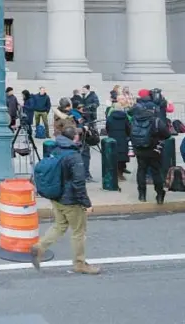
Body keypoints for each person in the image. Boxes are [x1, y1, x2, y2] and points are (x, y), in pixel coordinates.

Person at [31, 125, 100, 275]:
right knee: (78, 232)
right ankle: (80, 263)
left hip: (57, 197)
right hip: (71, 200)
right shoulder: (74, 156)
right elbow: (79, 183)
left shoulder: (56, 149)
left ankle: (39, 247)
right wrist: (86, 203)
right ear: (75, 137)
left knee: (59, 226)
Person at [130, 89, 170, 203]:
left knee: (141, 170)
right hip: (153, 149)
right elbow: (167, 134)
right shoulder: (156, 121)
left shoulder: (135, 120)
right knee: (156, 171)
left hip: (139, 148)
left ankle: (142, 194)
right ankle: (159, 194)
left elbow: (130, 132)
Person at [105, 96, 131, 181]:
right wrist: (128, 135)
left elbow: (107, 128)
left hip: (113, 137)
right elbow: (128, 127)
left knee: (114, 156)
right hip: (123, 138)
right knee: (122, 156)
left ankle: (115, 173)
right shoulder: (125, 117)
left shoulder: (110, 117)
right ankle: (121, 173)